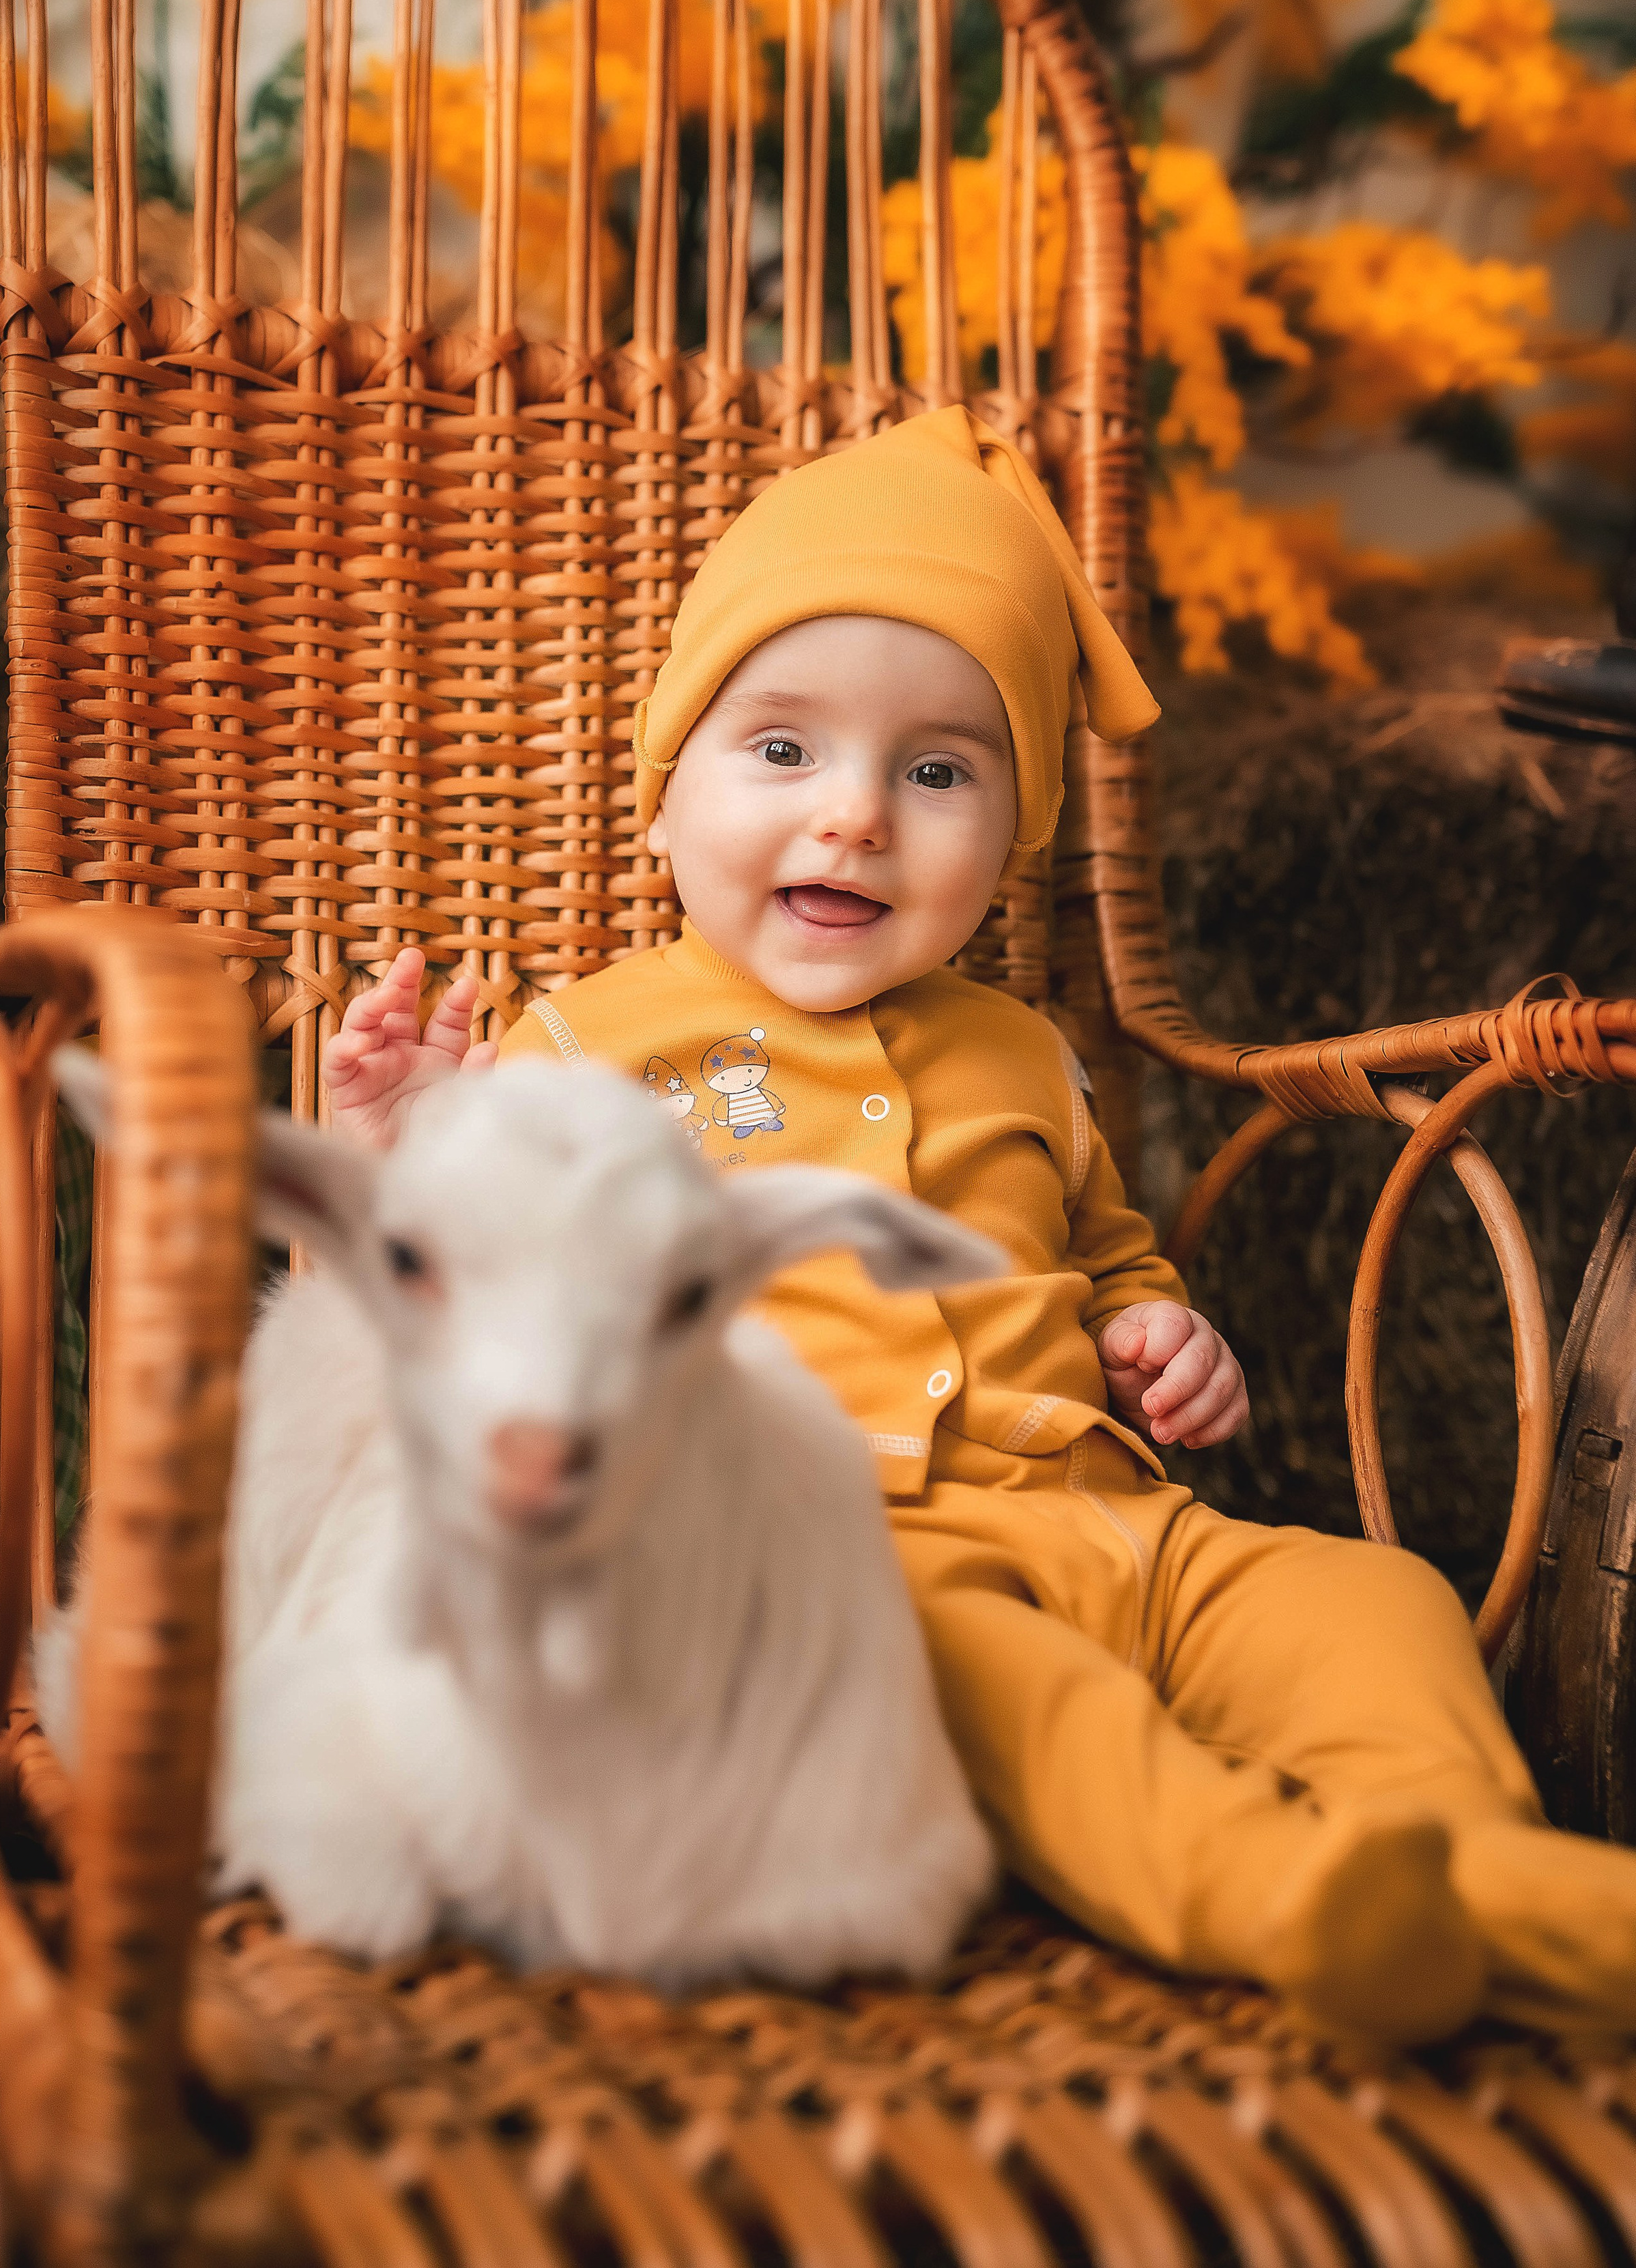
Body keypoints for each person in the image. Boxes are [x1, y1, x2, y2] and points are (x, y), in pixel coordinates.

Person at [321, 405, 1635, 2044]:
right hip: (854, 1560)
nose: (854, 814)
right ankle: (1290, 1904)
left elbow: (1102, 1264)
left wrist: (1164, 1337)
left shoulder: (1025, 1050)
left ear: (1007, 840)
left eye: (935, 769)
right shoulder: (586, 1044)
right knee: (1024, 1708)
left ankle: (1483, 1878)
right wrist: (395, 1151)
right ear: (664, 793)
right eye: (781, 749)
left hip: (1127, 1526)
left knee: (1375, 1606)